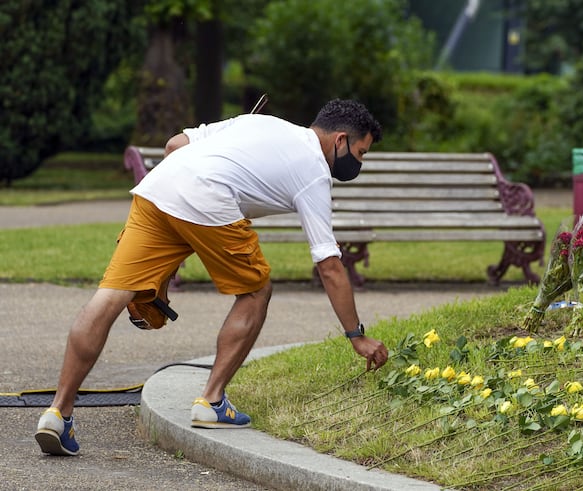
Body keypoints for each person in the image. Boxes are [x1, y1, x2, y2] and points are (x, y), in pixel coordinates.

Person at [35, 99, 390, 456]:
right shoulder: (314, 170)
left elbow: (175, 145)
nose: (358, 163)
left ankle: (58, 412)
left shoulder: (260, 122)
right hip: (210, 198)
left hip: (157, 188)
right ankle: (212, 401)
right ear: (340, 140)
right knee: (256, 292)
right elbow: (329, 264)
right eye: (360, 153)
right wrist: (356, 336)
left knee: (110, 296)